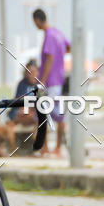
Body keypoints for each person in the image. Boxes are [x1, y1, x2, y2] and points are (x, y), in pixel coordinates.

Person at [32, 8, 70, 156]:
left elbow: (49, 59)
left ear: (37, 20)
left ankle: (45, 147)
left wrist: (42, 80)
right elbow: (68, 47)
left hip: (51, 82)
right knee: (60, 115)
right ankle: (57, 148)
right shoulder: (58, 33)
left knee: (42, 114)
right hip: (59, 80)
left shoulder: (49, 35)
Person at [8, 59, 39, 126]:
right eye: (29, 72)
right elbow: (18, 99)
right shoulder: (22, 84)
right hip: (21, 112)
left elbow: (43, 103)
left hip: (34, 113)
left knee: (37, 117)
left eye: (33, 72)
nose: (31, 75)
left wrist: (30, 110)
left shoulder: (40, 85)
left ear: (37, 72)